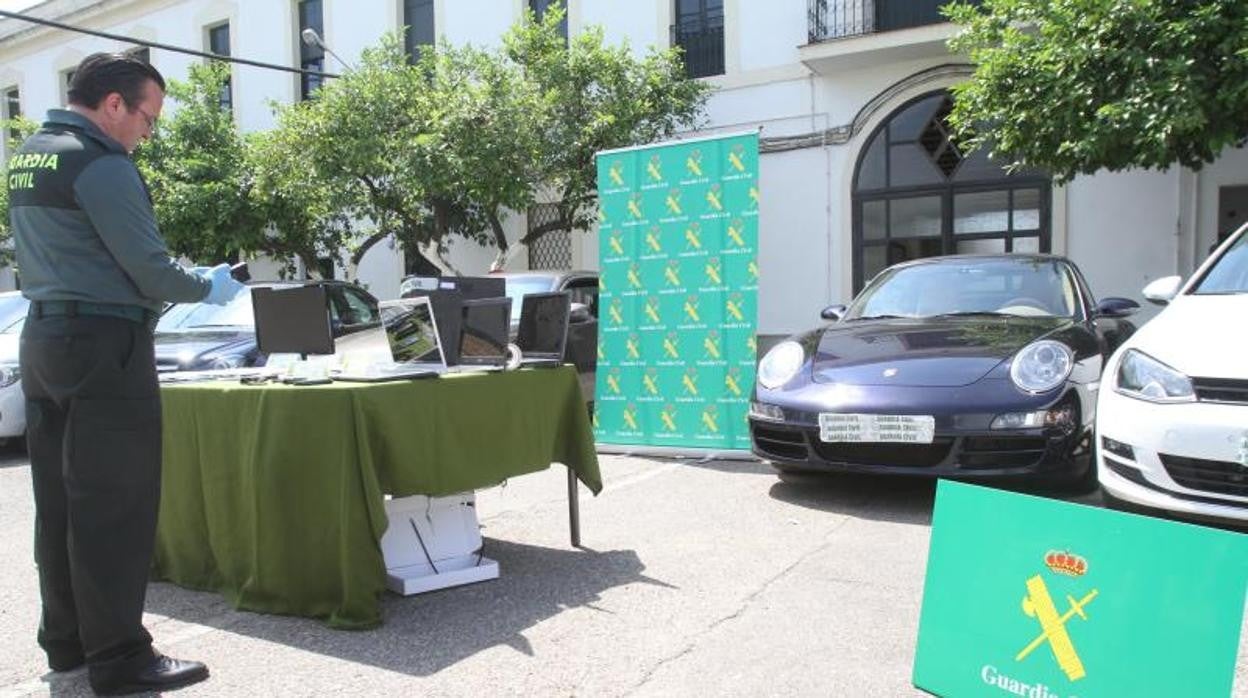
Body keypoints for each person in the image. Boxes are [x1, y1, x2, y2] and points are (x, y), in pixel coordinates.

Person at [6, 52, 243, 695]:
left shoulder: (31, 153)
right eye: (147, 117)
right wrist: (206, 284)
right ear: (114, 104)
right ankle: (119, 659)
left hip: (46, 340)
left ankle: (69, 644)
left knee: (59, 505)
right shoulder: (102, 164)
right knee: (114, 506)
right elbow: (152, 271)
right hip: (105, 345)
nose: (147, 132)